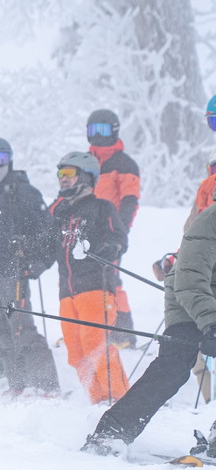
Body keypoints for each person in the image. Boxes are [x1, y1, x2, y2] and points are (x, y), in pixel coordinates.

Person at [82, 203, 216, 455]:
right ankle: (111, 433)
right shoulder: (210, 220)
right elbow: (190, 279)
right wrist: (212, 324)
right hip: (188, 298)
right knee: (174, 368)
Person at [0, 137, 61, 395]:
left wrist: (35, 260)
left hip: (11, 271)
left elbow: (49, 234)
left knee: (20, 326)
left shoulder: (25, 193)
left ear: (10, 161)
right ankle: (18, 384)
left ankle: (45, 384)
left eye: (1, 160)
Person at [45, 152, 129, 404]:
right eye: (60, 174)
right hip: (67, 292)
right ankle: (98, 400)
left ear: (86, 176)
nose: (63, 179)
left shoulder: (101, 207)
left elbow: (119, 239)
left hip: (96, 287)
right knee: (76, 352)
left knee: (97, 346)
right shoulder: (59, 212)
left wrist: (108, 248)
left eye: (69, 173)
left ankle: (121, 401)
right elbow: (47, 248)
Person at [86, 109, 141, 346]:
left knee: (110, 279)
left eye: (103, 130)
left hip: (110, 231)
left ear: (115, 131)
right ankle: (91, 330)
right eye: (93, 130)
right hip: (85, 232)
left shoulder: (124, 163)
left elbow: (130, 200)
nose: (98, 136)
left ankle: (123, 332)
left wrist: (120, 231)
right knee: (84, 282)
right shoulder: (85, 161)